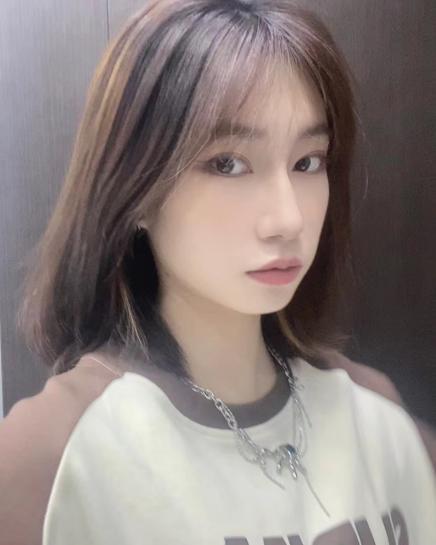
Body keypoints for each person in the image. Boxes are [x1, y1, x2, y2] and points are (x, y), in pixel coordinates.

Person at [1, 1, 435, 544]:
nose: (288, 219)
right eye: (228, 163)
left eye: (308, 162)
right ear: (134, 190)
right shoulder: (54, 455)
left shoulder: (377, 416)